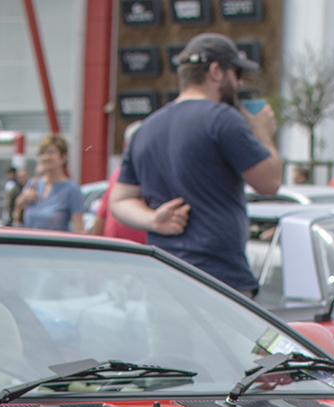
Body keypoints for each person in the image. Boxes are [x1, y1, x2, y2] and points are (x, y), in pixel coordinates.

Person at [109, 33, 282, 294]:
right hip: (218, 282)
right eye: (236, 73)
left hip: (164, 280)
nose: (239, 82)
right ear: (215, 71)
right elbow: (270, 182)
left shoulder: (146, 128)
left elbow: (118, 200)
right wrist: (264, 133)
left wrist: (153, 220)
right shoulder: (223, 119)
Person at [89, 121, 147, 243]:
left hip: (142, 252)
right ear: (126, 146)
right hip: (113, 251)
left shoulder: (157, 174)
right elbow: (103, 213)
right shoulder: (117, 174)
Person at [12, 135, 84, 232]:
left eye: (51, 152)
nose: (46, 157)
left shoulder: (72, 189)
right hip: (29, 244)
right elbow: (16, 217)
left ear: (63, 157)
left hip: (55, 246)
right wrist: (21, 201)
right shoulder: (34, 184)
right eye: (42, 153)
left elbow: (79, 228)